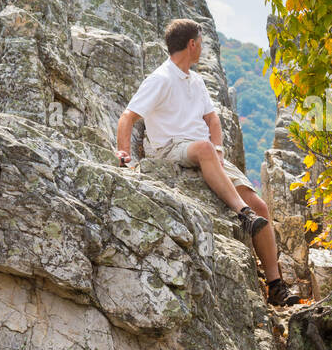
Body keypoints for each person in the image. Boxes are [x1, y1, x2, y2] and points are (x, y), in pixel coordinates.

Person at [116, 18, 302, 306]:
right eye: (200, 44)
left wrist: (218, 148)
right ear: (192, 44)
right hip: (169, 148)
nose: (201, 49)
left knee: (261, 207)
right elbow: (128, 117)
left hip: (203, 150)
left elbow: (212, 118)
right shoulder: (160, 79)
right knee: (205, 151)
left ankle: (276, 286)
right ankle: (242, 214)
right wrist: (123, 155)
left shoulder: (196, 80)